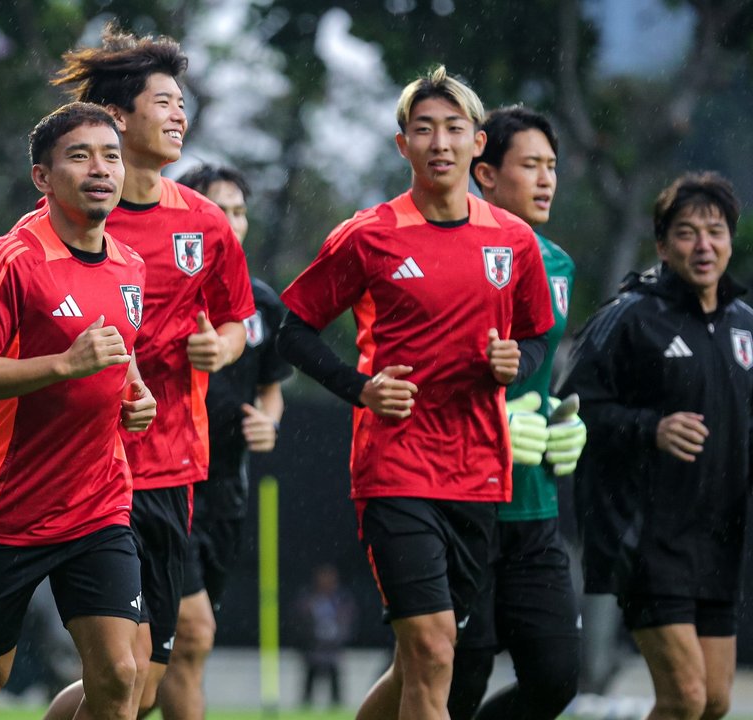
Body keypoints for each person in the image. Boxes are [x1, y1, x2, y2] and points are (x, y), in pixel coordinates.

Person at [276, 66, 554, 720]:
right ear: (402, 145)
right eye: (423, 129)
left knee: (426, 657)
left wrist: (518, 359)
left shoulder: (513, 241)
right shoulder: (368, 234)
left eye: (454, 129)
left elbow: (538, 334)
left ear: (478, 143)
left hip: (480, 473)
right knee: (431, 650)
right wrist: (361, 387)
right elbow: (293, 330)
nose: (440, 142)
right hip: (395, 468)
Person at [45, 27, 256, 720]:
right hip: (90, 471)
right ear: (118, 116)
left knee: (139, 682)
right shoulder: (65, 224)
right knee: (121, 672)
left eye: (182, 104)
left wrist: (218, 351)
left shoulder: (205, 224)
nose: (178, 116)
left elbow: (233, 321)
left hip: (172, 469)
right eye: (163, 101)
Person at [0, 102, 157, 720]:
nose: (100, 169)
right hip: (6, 514)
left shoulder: (131, 265)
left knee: (120, 675)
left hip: (98, 504)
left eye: (110, 155)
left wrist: (136, 393)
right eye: (79, 156)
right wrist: (63, 365)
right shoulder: (11, 261)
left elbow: (118, 352)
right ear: (42, 178)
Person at [557, 172, 749, 720]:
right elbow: (572, 407)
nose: (704, 245)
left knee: (713, 701)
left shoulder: (745, 326)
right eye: (687, 233)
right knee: (685, 697)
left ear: (731, 239)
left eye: (715, 231)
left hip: (719, 539)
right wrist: (650, 427)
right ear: (663, 246)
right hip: (646, 537)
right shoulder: (630, 318)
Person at [445, 106, 585, 720]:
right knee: (458, 676)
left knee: (555, 679)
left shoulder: (560, 265)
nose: (547, 178)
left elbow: (535, 372)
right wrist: (489, 423)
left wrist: (560, 418)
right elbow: (427, 373)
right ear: (486, 175)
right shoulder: (451, 254)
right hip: (459, 500)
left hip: (535, 506)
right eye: (531, 164)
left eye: (552, 166)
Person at [157, 164, 291, 720]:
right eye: (219, 209)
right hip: (166, 489)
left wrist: (269, 421)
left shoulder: (264, 304)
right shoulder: (161, 288)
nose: (232, 222)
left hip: (226, 497)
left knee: (159, 668)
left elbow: (270, 392)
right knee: (191, 636)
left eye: (239, 211)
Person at [297, 564, 357, 709]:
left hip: (333, 649)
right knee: (309, 684)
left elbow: (349, 619)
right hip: (314, 647)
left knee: (335, 683)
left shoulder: (342, 600)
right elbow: (300, 620)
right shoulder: (309, 599)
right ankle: (306, 708)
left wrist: (337, 635)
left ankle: (336, 707)